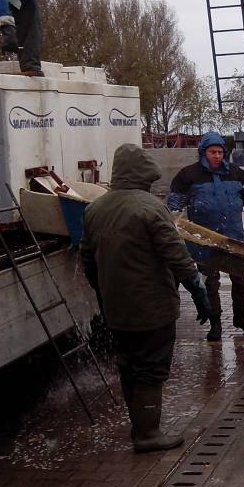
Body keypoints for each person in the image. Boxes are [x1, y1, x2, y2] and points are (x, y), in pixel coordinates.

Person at [81, 144, 212, 453]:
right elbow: (177, 256)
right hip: (152, 308)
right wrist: (198, 290)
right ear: (143, 175)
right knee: (152, 368)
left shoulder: (94, 209)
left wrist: (104, 291)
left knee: (129, 366)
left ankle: (139, 426)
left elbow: (87, 259)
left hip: (116, 308)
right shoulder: (151, 208)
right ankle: (148, 434)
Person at [167, 132, 244, 342]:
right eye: (212, 152)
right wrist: (175, 225)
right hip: (203, 241)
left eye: (220, 152)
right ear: (204, 153)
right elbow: (174, 205)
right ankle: (215, 323)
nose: (217, 156)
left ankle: (241, 318)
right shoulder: (188, 175)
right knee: (209, 283)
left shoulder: (237, 174)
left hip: (234, 238)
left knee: (243, 279)